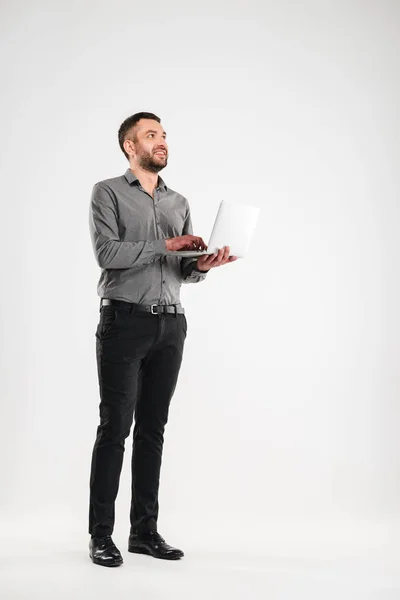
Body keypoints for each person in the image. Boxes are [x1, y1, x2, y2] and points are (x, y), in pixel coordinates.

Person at [88, 112, 237, 567]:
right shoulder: (107, 192)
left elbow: (181, 271)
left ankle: (144, 532)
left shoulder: (179, 202)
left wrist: (201, 266)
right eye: (151, 135)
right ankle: (100, 536)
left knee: (153, 430)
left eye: (164, 135)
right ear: (130, 147)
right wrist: (167, 246)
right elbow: (107, 254)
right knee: (116, 429)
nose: (161, 141)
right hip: (124, 322)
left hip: (170, 324)